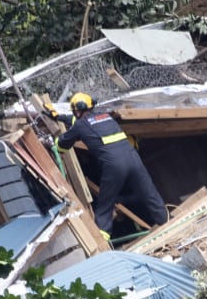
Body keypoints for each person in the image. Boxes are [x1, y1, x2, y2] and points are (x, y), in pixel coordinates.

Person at [49, 92, 168, 240]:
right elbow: (84, 122)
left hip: (114, 165)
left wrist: (55, 142)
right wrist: (59, 117)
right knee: (150, 194)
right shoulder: (106, 117)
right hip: (134, 159)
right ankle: (166, 221)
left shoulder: (80, 125)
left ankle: (103, 241)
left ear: (77, 110)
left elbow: (62, 146)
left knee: (105, 204)